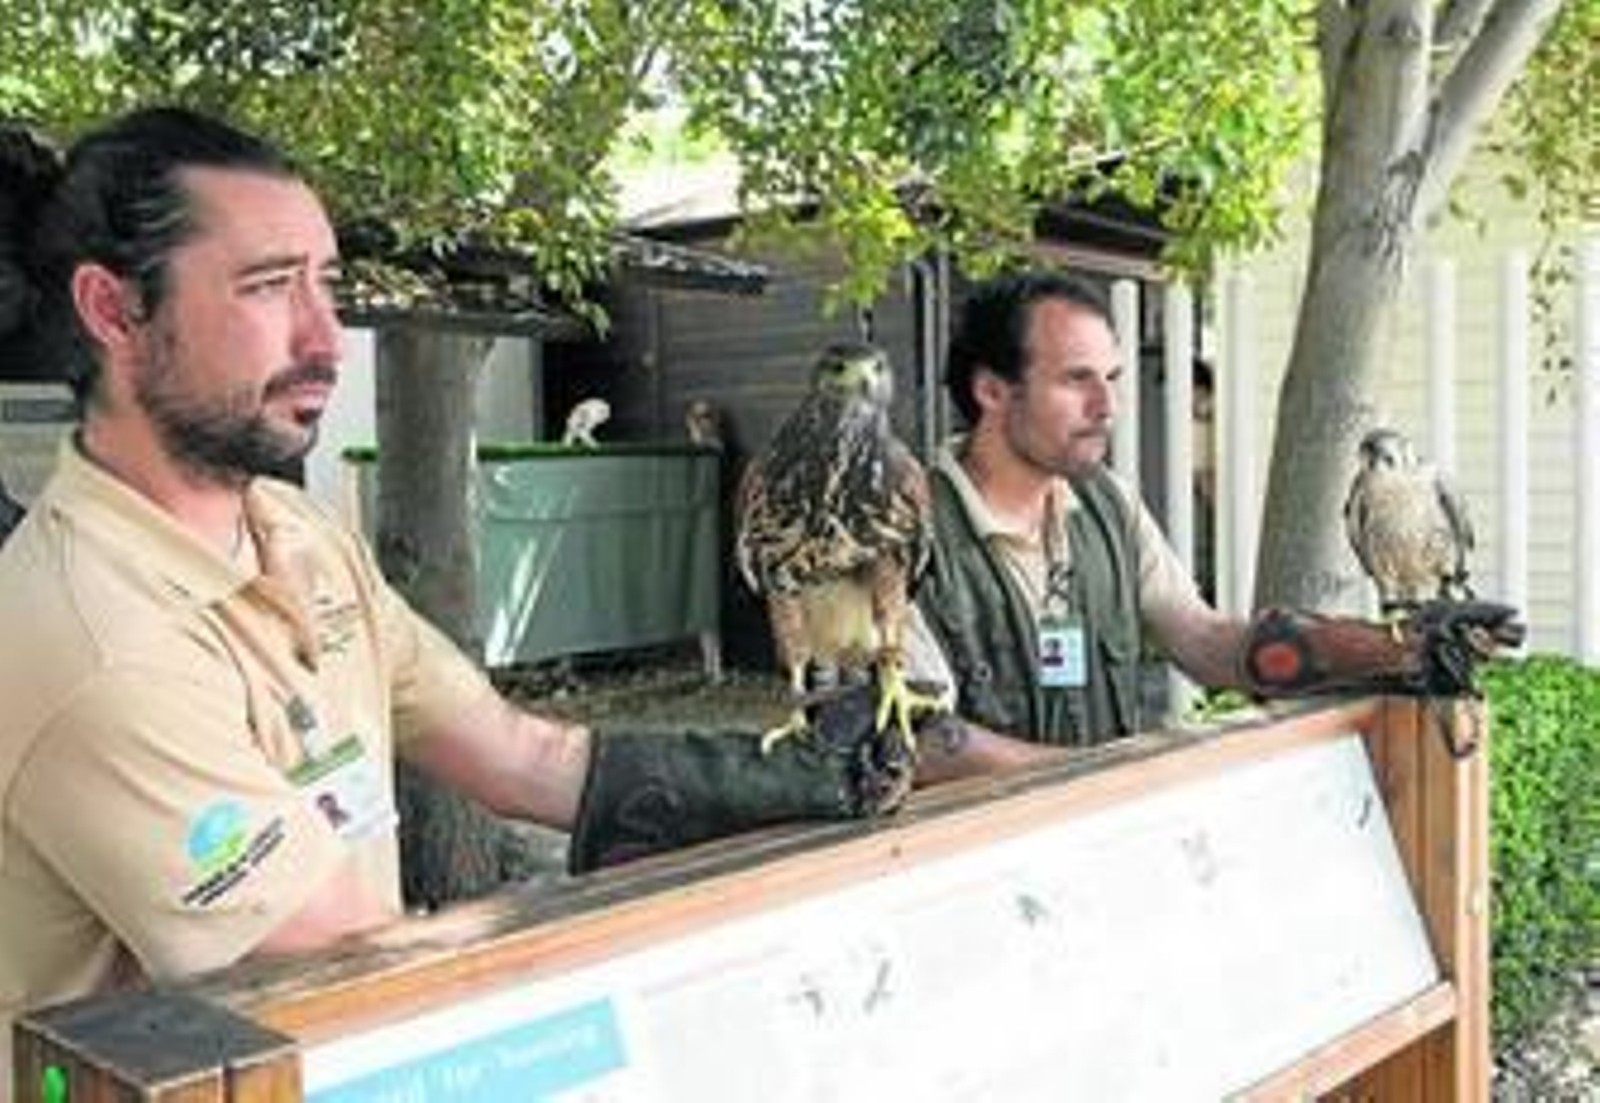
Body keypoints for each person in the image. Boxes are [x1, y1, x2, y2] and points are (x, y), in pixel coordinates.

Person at [0, 106, 1019, 1080]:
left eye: (326, 282)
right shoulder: (88, 633)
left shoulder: (296, 532)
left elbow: (520, 752)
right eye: (269, 287)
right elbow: (344, 968)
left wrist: (786, 777)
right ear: (114, 311)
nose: (324, 335)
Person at [908, 270, 1522, 747]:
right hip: (960, 880)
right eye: (1077, 380)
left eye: (1113, 378)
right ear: (991, 390)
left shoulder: (1106, 505)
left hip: (1097, 856)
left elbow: (1207, 642)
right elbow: (927, 744)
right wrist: (1108, 780)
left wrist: (1395, 646)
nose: (1108, 405)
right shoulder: (905, 526)